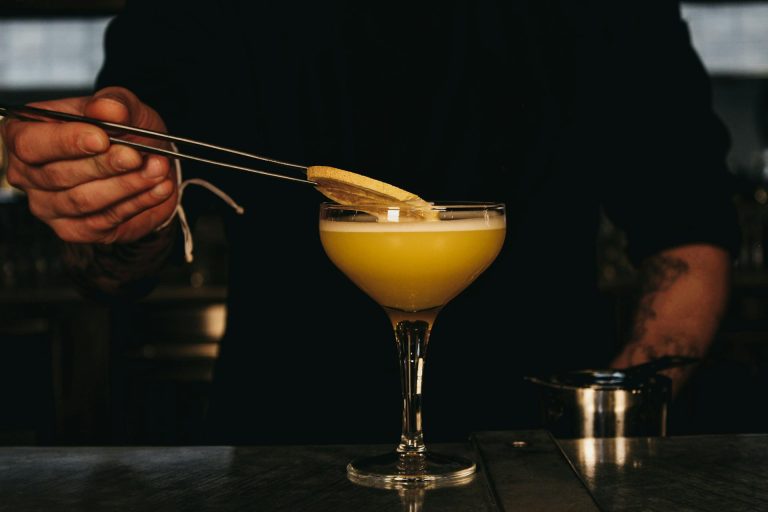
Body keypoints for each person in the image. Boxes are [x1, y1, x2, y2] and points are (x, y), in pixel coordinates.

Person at [0, 1, 738, 444]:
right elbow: (110, 269)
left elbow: (690, 230)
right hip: (280, 455)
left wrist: (606, 437)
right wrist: (112, 206)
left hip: (536, 454)